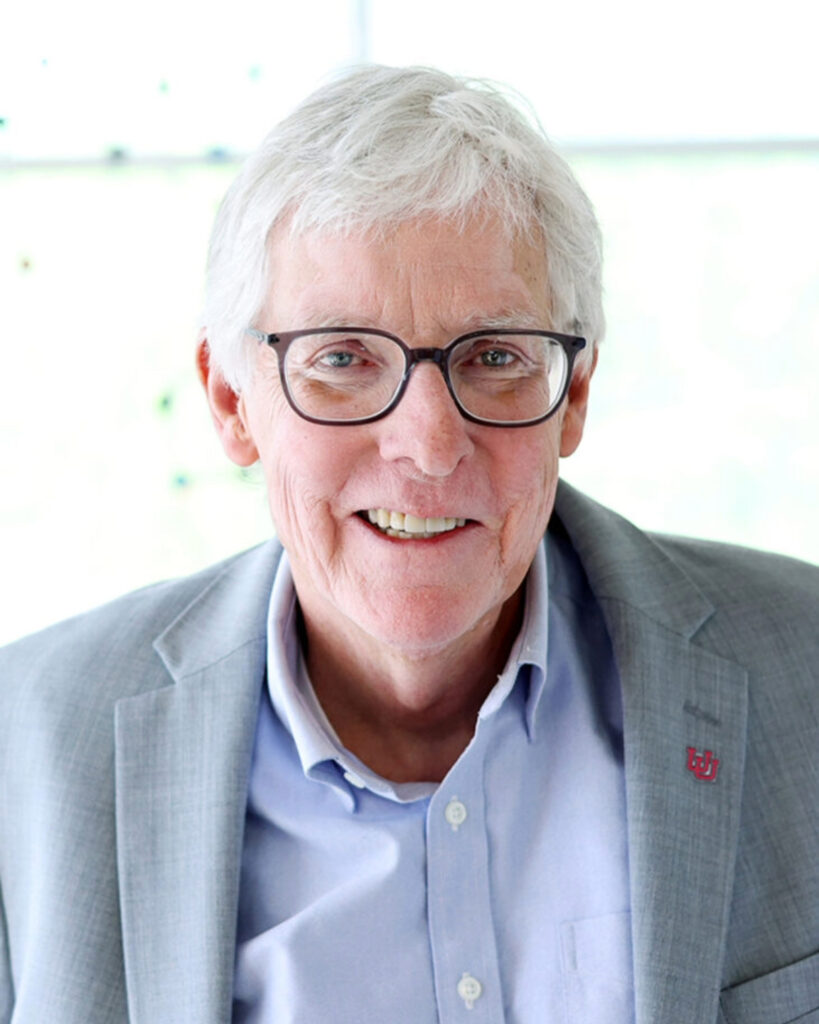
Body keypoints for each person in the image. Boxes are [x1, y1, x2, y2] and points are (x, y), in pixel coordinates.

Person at [0, 65, 817, 1024]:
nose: (428, 446)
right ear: (231, 400)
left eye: (495, 356)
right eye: (342, 358)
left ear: (574, 394)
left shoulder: (803, 670)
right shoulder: (26, 747)